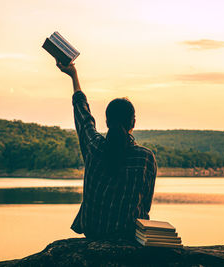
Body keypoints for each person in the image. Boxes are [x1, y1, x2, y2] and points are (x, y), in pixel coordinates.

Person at [56, 61, 157, 240]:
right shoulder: (145, 158)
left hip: (93, 232)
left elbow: (83, 115)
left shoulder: (94, 147)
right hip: (126, 237)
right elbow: (145, 207)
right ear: (133, 123)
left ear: (107, 122)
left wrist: (73, 75)